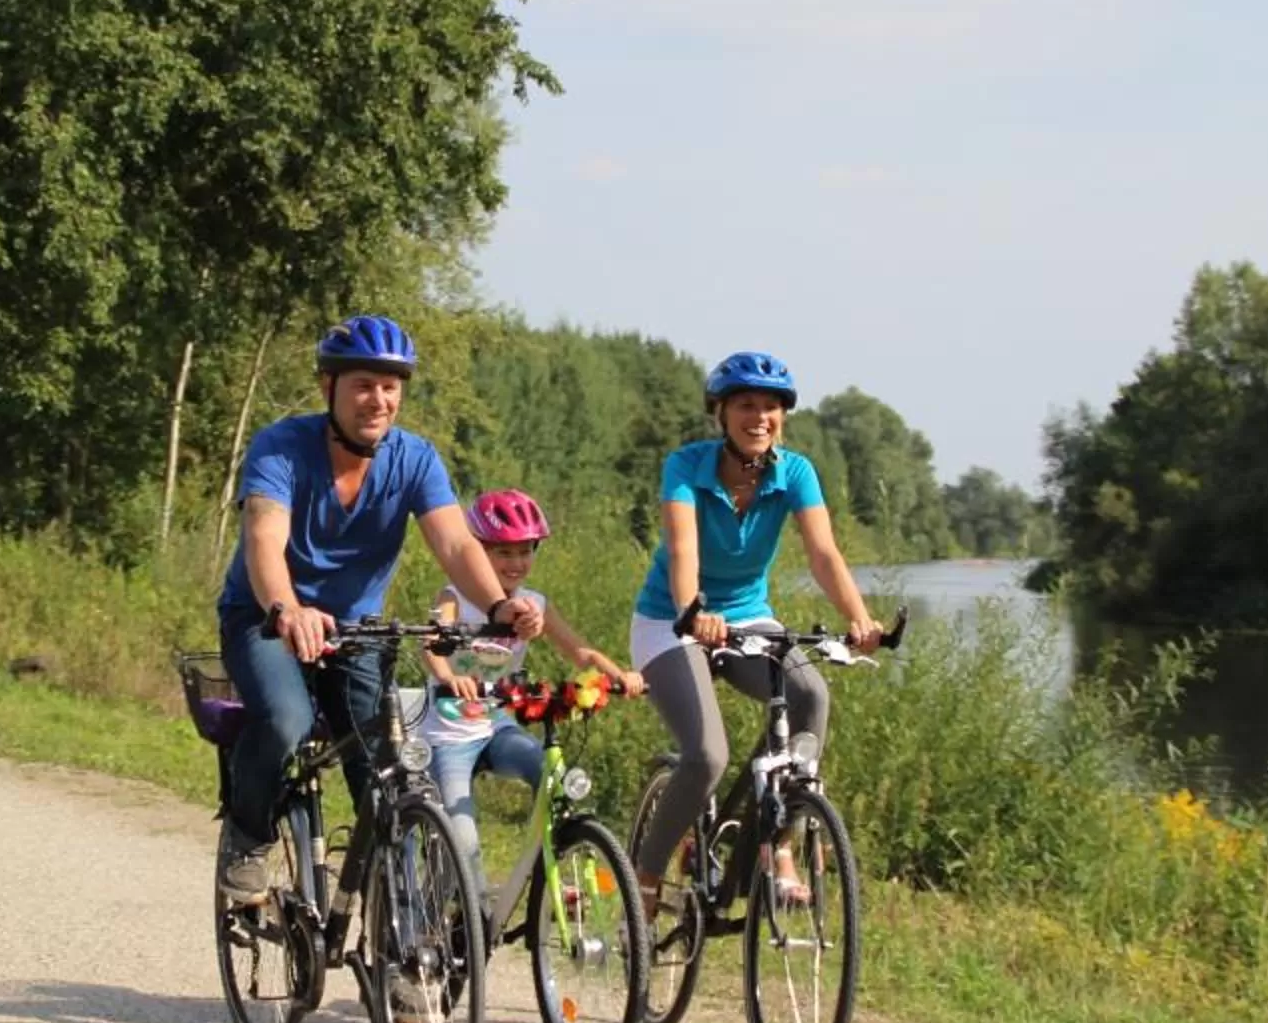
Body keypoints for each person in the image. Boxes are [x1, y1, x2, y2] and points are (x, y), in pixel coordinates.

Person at [216, 315, 543, 902]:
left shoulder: (414, 459)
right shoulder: (281, 448)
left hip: (356, 633)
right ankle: (248, 831)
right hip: (265, 618)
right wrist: (288, 609)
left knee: (389, 777)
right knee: (287, 721)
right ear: (329, 386)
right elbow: (264, 538)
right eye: (364, 384)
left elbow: (455, 543)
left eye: (391, 386)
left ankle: (402, 935)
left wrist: (499, 602)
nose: (379, 399)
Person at [627, 351, 887, 918]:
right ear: (720, 412)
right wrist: (693, 609)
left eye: (772, 407)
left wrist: (859, 618)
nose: (760, 417)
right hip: (670, 620)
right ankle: (645, 877)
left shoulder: (795, 472)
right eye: (746, 405)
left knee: (810, 694)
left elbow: (823, 554)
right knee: (705, 756)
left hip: (748, 617)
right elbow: (683, 548)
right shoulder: (686, 465)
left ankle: (778, 844)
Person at [413, 488, 644, 866]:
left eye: (525, 550)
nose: (516, 562)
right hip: (447, 735)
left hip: (495, 726)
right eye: (503, 551)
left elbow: (579, 651)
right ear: (478, 551)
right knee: (463, 842)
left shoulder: (533, 604)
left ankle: (556, 868)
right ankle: (467, 915)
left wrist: (621, 675)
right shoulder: (455, 595)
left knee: (552, 777)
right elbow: (431, 641)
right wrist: (447, 676)